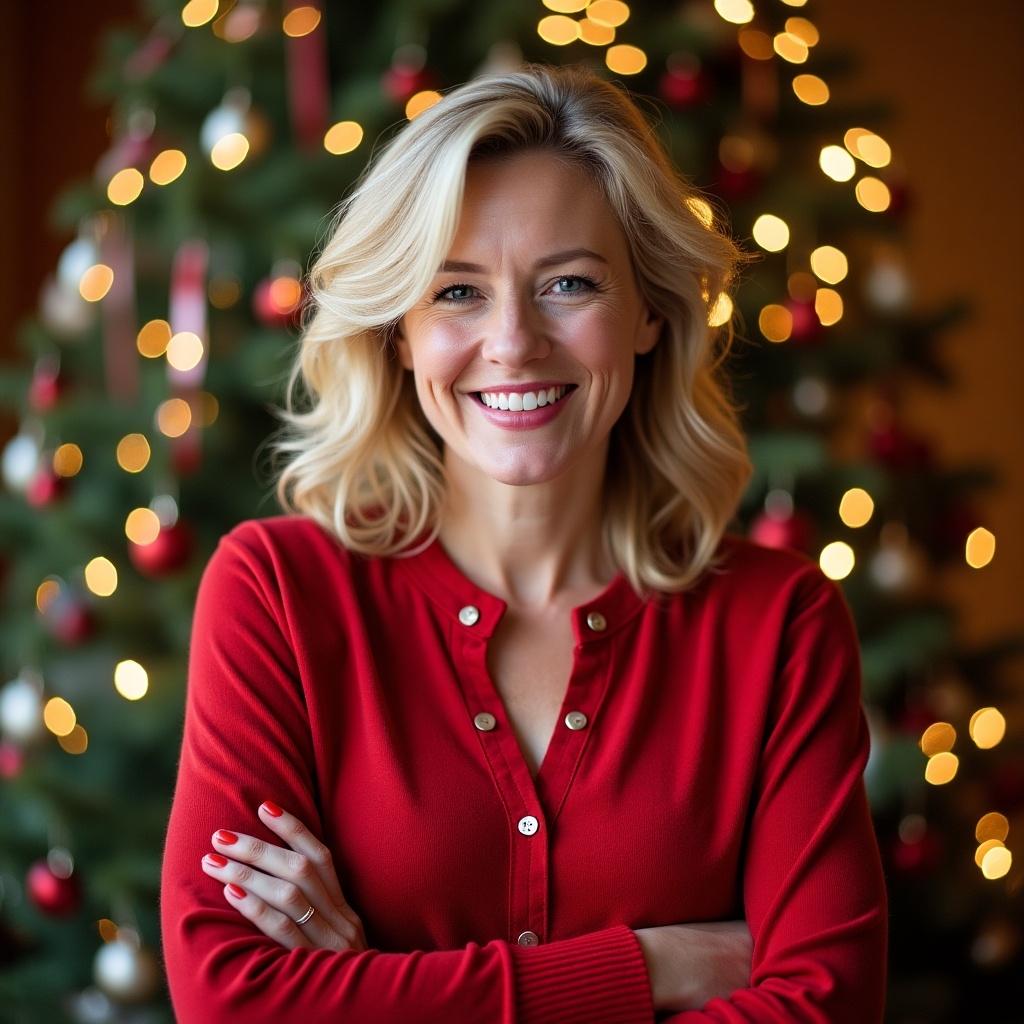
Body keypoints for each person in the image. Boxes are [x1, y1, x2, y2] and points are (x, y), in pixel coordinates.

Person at [159, 62, 888, 1022]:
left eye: (570, 284)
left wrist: (367, 985)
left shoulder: (779, 622)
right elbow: (232, 1002)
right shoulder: (277, 593)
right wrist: (650, 970)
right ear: (400, 334)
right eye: (456, 293)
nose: (512, 342)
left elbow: (826, 1008)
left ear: (649, 314)